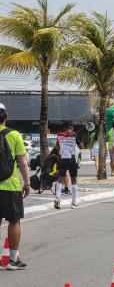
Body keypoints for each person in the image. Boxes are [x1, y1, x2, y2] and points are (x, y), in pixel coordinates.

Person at [0, 103, 30, 270]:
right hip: (10, 186)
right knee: (14, 221)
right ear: (6, 117)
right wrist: (27, 182)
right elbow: (22, 162)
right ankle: (13, 260)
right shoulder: (14, 135)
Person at [54, 123, 83, 209]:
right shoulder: (74, 135)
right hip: (71, 159)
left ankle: (57, 198)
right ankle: (73, 202)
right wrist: (77, 138)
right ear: (71, 128)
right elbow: (81, 146)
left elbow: (57, 147)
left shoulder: (60, 135)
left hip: (62, 159)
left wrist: (61, 151)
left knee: (60, 178)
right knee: (73, 179)